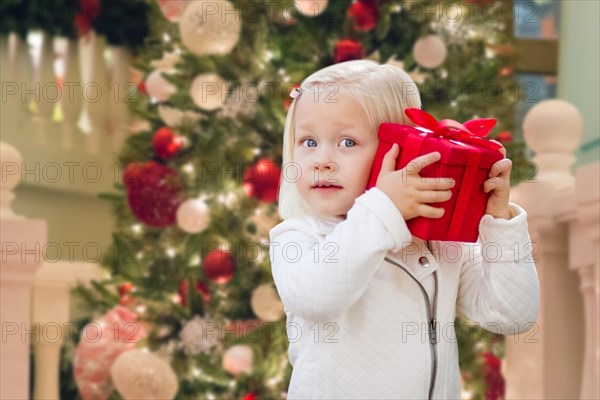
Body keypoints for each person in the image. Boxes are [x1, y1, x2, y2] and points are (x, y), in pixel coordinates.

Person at [268, 60, 540, 400]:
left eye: (347, 142)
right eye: (308, 142)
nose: (321, 160)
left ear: (400, 148)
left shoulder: (439, 243)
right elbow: (318, 299)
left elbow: (510, 316)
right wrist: (383, 208)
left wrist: (500, 223)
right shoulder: (297, 238)